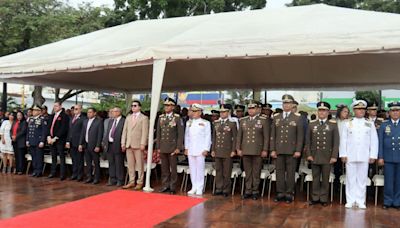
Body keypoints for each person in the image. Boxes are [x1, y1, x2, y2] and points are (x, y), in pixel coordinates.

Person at [339, 100, 378, 209]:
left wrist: (373, 155)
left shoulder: (369, 123)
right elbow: (343, 140)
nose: (361, 111)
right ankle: (350, 200)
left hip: (364, 155)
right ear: (354, 110)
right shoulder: (348, 123)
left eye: (362, 109)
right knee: (350, 179)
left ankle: (360, 201)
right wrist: (343, 154)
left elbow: (374, 140)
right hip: (350, 155)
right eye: (358, 109)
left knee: (362, 179)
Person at [270, 94, 304, 204]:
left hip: (292, 150)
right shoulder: (276, 117)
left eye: (288, 103)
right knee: (279, 172)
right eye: (284, 103)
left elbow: (300, 136)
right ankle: (280, 193)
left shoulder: (298, 117)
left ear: (292, 104)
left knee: (290, 173)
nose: (286, 105)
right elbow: (273, 135)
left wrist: (298, 150)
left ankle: (289, 193)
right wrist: (273, 149)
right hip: (279, 150)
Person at [305, 102, 339, 206]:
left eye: (324, 110)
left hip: (327, 156)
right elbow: (308, 141)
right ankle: (315, 197)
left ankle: (324, 198)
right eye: (320, 110)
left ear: (328, 112)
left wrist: (334, 156)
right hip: (315, 155)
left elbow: (336, 142)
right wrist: (309, 155)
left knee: (325, 178)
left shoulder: (332, 124)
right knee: (315, 178)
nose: (322, 112)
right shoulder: (311, 124)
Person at [237, 101, 269, 200]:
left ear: (258, 109)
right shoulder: (243, 120)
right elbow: (239, 137)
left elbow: (266, 137)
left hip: (257, 150)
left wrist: (265, 149)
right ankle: (248, 190)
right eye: (249, 108)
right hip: (246, 149)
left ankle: (255, 191)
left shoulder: (263, 120)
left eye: (253, 108)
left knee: (256, 172)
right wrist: (238, 148)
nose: (251, 110)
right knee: (247, 171)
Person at [156, 98, 184, 194]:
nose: (166, 107)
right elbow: (158, 134)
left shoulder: (177, 118)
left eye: (168, 105)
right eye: (165, 105)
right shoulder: (161, 117)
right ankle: (165, 185)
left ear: (173, 107)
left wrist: (178, 147)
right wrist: (158, 147)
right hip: (163, 146)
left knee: (173, 168)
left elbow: (180, 134)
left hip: (172, 147)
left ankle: (172, 186)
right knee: (164, 168)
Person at [121, 100, 149, 190]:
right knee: (130, 165)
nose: (133, 107)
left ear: (140, 107)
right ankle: (131, 181)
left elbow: (145, 132)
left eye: (135, 105)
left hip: (138, 144)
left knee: (140, 165)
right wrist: (123, 143)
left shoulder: (144, 118)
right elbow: (124, 131)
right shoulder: (128, 117)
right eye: (132, 106)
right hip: (129, 144)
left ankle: (140, 182)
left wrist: (143, 143)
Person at [185, 103, 211, 196]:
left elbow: (208, 136)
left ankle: (200, 187)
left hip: (200, 149)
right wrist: (186, 147)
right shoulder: (189, 122)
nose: (193, 113)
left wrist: (206, 149)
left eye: (195, 111)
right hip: (191, 149)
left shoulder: (205, 123)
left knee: (200, 169)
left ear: (200, 112)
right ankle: (194, 186)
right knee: (192, 169)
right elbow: (187, 136)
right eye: (193, 111)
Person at [378, 102, 400, 209]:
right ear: (389, 112)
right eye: (393, 111)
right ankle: (387, 201)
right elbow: (380, 142)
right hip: (388, 157)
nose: (395, 113)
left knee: (399, 181)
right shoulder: (384, 125)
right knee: (389, 181)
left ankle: (397, 202)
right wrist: (381, 157)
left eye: (397, 110)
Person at [212, 104, 237, 197]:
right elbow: (214, 137)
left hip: (227, 150)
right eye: (221, 112)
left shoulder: (232, 123)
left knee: (227, 171)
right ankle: (219, 188)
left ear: (228, 112)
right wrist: (213, 149)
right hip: (218, 149)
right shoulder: (216, 123)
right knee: (218, 170)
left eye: (224, 112)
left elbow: (235, 138)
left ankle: (226, 189)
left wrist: (233, 150)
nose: (222, 113)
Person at [79, 108, 103, 184]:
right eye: (88, 112)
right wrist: (80, 144)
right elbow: (82, 133)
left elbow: (100, 135)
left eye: (90, 112)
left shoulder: (99, 122)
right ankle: (89, 177)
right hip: (86, 144)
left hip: (94, 145)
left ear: (94, 113)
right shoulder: (85, 121)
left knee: (96, 162)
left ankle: (96, 178)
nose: (88, 114)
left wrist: (98, 145)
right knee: (88, 162)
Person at [103, 107, 125, 187]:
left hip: (118, 144)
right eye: (112, 111)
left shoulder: (123, 121)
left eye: (115, 111)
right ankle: (112, 179)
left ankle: (120, 180)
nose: (113, 113)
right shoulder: (111, 121)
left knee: (118, 163)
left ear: (120, 112)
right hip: (109, 144)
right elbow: (107, 132)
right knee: (111, 162)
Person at [48, 102, 70, 180]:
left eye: (56, 106)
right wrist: (48, 137)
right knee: (53, 156)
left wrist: (55, 138)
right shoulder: (52, 116)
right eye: (54, 106)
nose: (55, 107)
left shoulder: (65, 116)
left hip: (60, 140)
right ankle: (53, 172)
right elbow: (49, 127)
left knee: (61, 157)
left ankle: (62, 174)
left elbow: (63, 128)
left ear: (60, 106)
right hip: (51, 139)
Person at [66, 104, 86, 181]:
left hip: (78, 142)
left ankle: (79, 175)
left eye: (77, 109)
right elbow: (69, 131)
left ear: (80, 109)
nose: (75, 110)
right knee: (73, 159)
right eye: (74, 109)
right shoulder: (71, 118)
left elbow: (82, 132)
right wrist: (68, 141)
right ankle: (74, 174)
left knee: (79, 159)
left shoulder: (83, 119)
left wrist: (81, 143)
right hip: (71, 142)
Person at [26, 105, 47, 177]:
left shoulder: (42, 119)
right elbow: (28, 131)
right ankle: (35, 170)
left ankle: (39, 171)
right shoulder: (31, 119)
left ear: (39, 111)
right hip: (31, 140)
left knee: (39, 157)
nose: (33, 111)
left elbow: (44, 131)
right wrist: (27, 140)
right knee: (33, 157)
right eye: (33, 110)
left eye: (35, 110)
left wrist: (42, 141)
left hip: (38, 141)